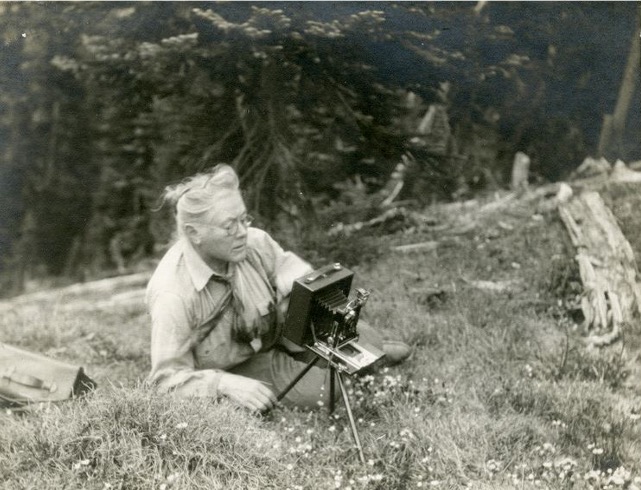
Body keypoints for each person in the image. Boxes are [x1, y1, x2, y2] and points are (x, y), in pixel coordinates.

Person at [146, 164, 411, 412]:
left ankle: (359, 354)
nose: (242, 232)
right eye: (229, 226)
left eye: (243, 219)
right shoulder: (173, 295)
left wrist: (323, 310)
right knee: (325, 391)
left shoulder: (255, 243)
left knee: (367, 340)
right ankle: (347, 365)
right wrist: (224, 385)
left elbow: (302, 283)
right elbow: (164, 382)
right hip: (238, 366)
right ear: (195, 234)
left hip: (278, 334)